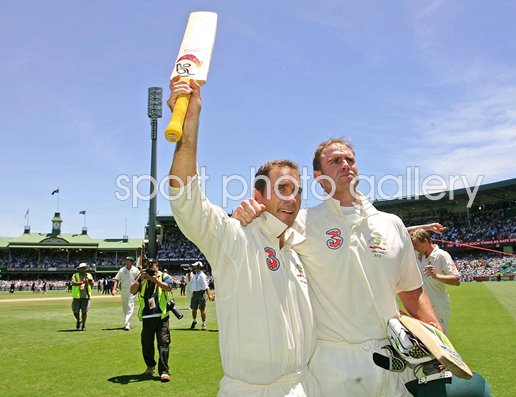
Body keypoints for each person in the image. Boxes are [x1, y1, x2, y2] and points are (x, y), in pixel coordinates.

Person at [234, 138, 442, 396]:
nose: (345, 165)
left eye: (350, 160)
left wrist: (440, 341)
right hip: (333, 365)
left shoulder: (392, 224)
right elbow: (259, 234)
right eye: (335, 161)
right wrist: (245, 214)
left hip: (395, 359)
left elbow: (412, 291)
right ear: (320, 178)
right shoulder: (302, 222)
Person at [168, 76, 319, 397]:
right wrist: (189, 124)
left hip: (302, 386)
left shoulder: (299, 250)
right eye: (283, 189)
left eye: (298, 192)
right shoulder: (234, 239)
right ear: (258, 195)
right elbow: (184, 196)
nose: (292, 199)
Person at [130, 258, 174, 382]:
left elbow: (168, 288)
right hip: (147, 316)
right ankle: (150, 365)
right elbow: (132, 290)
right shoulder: (142, 277)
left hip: (161, 316)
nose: (150, 267)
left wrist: (155, 280)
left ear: (157, 266)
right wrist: (140, 279)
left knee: (164, 343)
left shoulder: (164, 276)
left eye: (152, 265)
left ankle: (164, 371)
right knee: (146, 344)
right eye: (148, 265)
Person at [410, 228, 460, 331]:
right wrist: (429, 226)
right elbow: (402, 230)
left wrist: (436, 276)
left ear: (426, 241)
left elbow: (456, 280)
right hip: (423, 306)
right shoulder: (418, 254)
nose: (415, 248)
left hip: (439, 306)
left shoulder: (442, 255)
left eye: (416, 245)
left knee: (440, 339)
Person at [112, 256, 141, 331]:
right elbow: (117, 279)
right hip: (124, 290)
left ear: (132, 262)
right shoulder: (122, 270)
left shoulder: (135, 270)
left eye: (128, 260)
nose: (127, 262)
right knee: (125, 307)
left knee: (130, 305)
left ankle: (127, 323)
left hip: (132, 290)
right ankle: (127, 322)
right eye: (126, 260)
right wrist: (114, 289)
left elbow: (140, 279)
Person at [188, 261, 214, 330]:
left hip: (200, 293)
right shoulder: (195, 275)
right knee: (194, 309)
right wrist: (189, 272)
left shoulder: (202, 275)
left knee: (202, 309)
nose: (194, 267)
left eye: (195, 266)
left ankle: (203, 324)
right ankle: (194, 321)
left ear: (199, 266)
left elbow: (206, 286)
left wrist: (209, 295)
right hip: (194, 293)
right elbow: (190, 280)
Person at [71, 263, 94, 331]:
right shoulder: (75, 275)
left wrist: (89, 282)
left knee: (84, 311)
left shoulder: (89, 275)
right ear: (79, 269)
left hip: (86, 296)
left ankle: (83, 325)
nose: (84, 269)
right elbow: (73, 283)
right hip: (77, 296)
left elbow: (92, 283)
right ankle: (79, 320)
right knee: (75, 311)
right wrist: (82, 282)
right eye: (83, 268)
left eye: (85, 268)